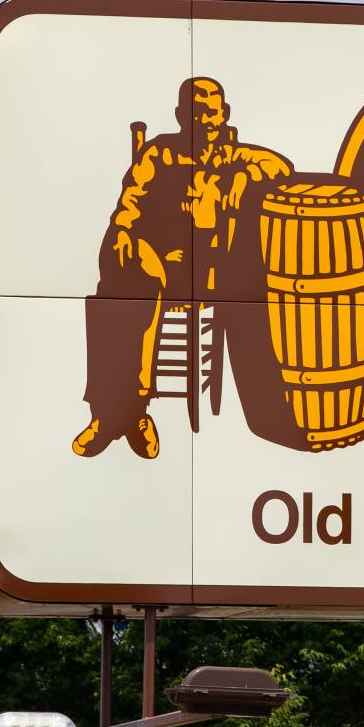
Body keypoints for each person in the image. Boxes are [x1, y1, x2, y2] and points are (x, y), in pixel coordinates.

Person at [72, 77, 291, 459]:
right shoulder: (159, 154)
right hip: (154, 266)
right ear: (179, 115)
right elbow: (129, 203)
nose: (204, 119)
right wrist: (123, 231)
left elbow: (281, 168)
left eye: (211, 111)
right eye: (195, 111)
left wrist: (246, 176)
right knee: (120, 279)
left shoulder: (236, 157)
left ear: (224, 115)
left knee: (130, 289)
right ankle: (119, 414)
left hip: (208, 274)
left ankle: (121, 414)